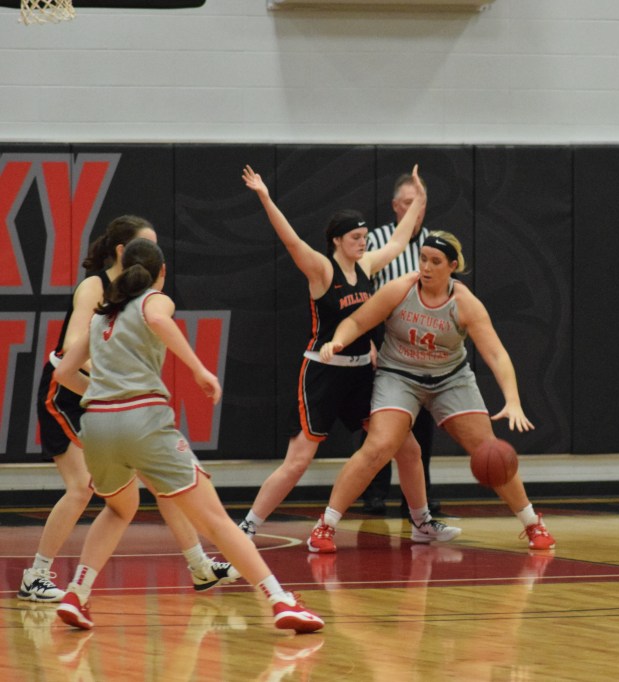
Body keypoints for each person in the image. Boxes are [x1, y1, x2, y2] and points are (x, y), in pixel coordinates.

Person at [52, 238, 323, 632]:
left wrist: (103, 393)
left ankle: (77, 594)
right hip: (142, 420)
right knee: (216, 520)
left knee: (119, 509)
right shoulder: (154, 299)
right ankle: (280, 600)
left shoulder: (100, 317)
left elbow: (62, 373)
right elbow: (159, 320)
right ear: (161, 272)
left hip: (97, 426)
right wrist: (198, 369)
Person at [19, 216, 239, 603]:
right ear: (123, 251)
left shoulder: (137, 298)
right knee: (81, 487)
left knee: (161, 483)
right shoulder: (95, 286)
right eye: (146, 245)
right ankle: (35, 575)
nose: (153, 254)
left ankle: (199, 566)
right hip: (66, 390)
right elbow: (71, 346)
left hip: (109, 398)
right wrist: (112, 378)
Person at [235, 164, 457, 547]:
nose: (363, 243)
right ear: (337, 240)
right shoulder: (322, 270)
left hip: (360, 374)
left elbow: (399, 241)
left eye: (365, 237)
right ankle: (247, 527)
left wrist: (420, 199)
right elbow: (291, 241)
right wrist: (265, 197)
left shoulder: (366, 266)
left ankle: (421, 522)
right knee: (298, 461)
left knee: (408, 447)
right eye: (356, 238)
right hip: (323, 373)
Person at [313, 231, 556, 551]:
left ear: (452, 266)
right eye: (423, 259)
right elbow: (356, 322)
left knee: (490, 451)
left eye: (435, 261)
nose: (426, 267)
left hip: (449, 379)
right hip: (399, 375)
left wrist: (512, 400)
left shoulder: (465, 303)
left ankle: (532, 523)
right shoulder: (400, 289)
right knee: (378, 446)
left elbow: (497, 354)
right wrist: (338, 341)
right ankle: (326, 525)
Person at [361, 172, 439, 517]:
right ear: (395, 206)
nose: (415, 210)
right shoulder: (376, 241)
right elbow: (360, 295)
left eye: (420, 203)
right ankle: (374, 493)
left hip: (424, 338)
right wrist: (367, 341)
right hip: (384, 335)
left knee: (422, 423)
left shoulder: (435, 244)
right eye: (408, 203)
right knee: (380, 419)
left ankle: (419, 498)